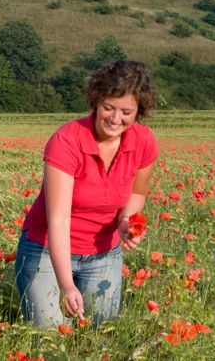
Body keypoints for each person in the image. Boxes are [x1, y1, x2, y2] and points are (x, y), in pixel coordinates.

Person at [15, 60, 159, 327]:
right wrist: (66, 285)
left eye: (126, 112)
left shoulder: (144, 142)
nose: (116, 119)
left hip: (104, 253)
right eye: (108, 108)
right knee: (51, 333)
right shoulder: (67, 141)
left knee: (102, 331)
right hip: (47, 248)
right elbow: (58, 220)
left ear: (139, 111)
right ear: (96, 101)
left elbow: (137, 193)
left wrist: (126, 222)